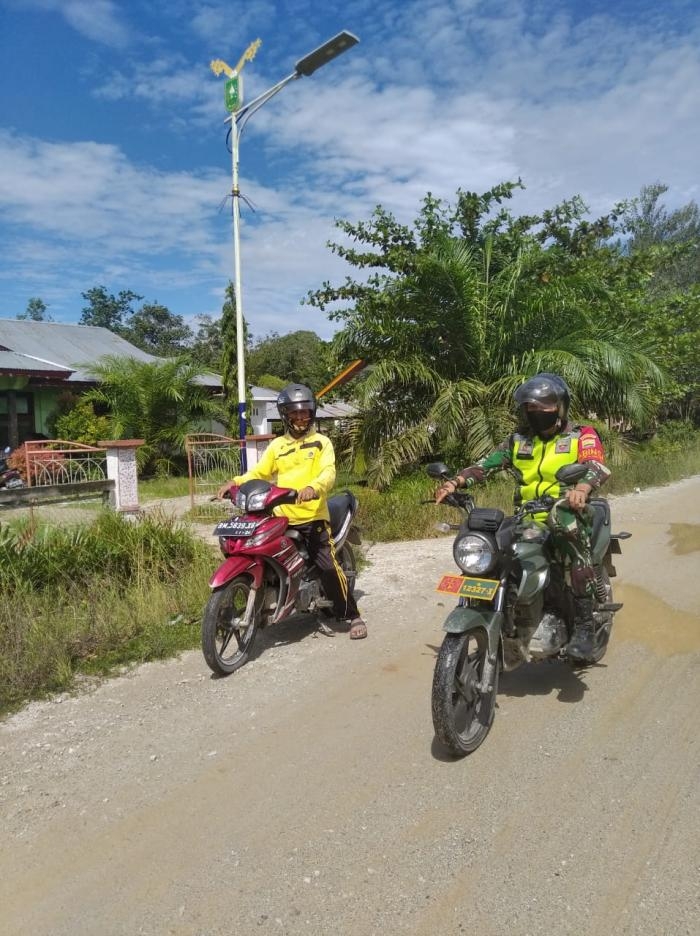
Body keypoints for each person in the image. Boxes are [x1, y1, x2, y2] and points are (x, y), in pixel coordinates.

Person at [435, 373, 611, 662]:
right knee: (492, 546)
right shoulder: (518, 441)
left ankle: (583, 625)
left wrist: (582, 487)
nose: (536, 413)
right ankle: (504, 612)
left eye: (543, 407)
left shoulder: (581, 435)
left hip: (569, 508)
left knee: (566, 529)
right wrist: (456, 482)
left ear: (560, 407)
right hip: (528, 515)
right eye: (531, 408)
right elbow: (485, 465)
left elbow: (596, 465)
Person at [217, 383, 367, 640]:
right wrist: (236, 482)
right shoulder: (277, 446)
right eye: (294, 413)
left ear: (312, 414)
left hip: (313, 518)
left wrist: (313, 487)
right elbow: (260, 472)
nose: (300, 417)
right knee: (261, 551)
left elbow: (328, 473)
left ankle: (351, 615)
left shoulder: (322, 443)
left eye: (305, 412)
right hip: (281, 516)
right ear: (285, 415)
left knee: (328, 566)